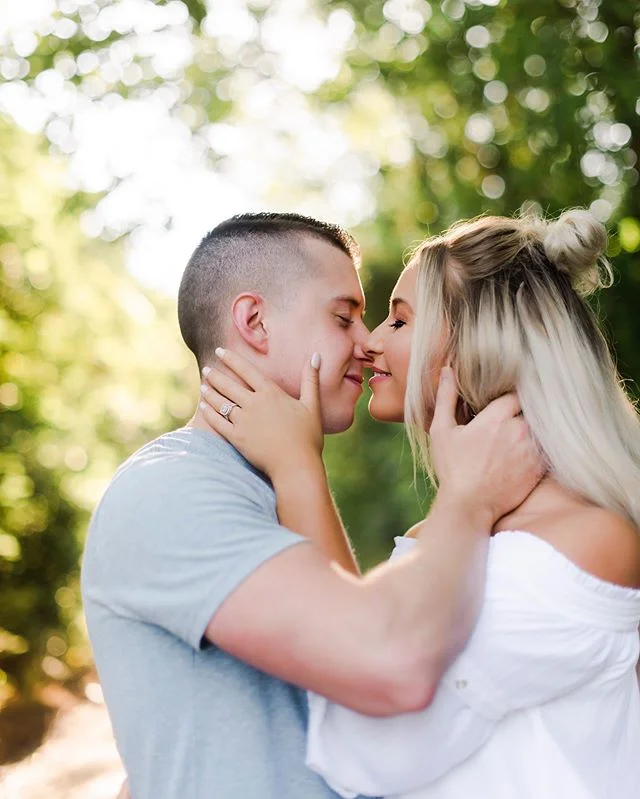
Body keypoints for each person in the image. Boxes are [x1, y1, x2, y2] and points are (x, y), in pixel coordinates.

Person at [82, 212, 541, 799]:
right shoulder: (172, 490)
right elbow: (382, 663)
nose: (367, 340)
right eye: (343, 316)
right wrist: (470, 498)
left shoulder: (271, 488)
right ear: (255, 321)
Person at [199, 210, 640, 798]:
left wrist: (299, 471)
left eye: (399, 320)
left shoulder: (588, 541)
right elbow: (361, 646)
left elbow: (366, 744)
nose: (372, 343)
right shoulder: (457, 526)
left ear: (477, 341)